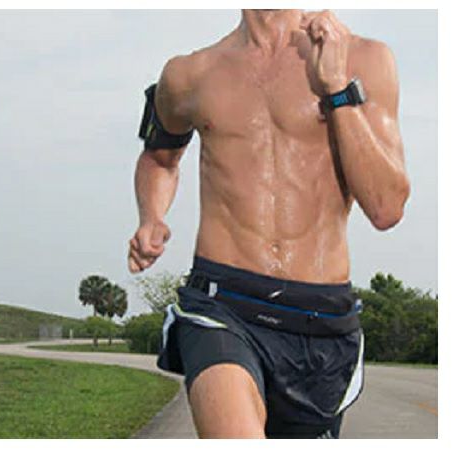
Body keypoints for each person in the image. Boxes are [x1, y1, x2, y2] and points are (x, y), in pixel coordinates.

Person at [128, 9, 410, 439]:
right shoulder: (189, 74)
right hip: (222, 304)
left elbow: (386, 207)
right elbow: (159, 158)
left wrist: (336, 88)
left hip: (321, 318)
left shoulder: (364, 59)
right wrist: (151, 216)